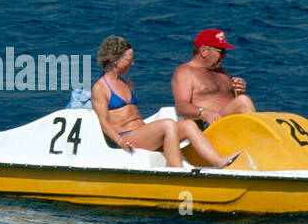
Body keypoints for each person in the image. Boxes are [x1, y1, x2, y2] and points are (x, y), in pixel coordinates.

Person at [91, 35, 240, 169]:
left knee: (188, 125)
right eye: (129, 60)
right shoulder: (100, 88)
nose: (133, 64)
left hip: (142, 133)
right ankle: (177, 171)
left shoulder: (128, 83)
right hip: (126, 137)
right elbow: (104, 123)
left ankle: (218, 161)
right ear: (115, 60)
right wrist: (120, 141)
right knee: (168, 124)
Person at [171, 29, 255, 129]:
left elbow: (232, 101)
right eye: (221, 52)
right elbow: (181, 107)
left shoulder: (222, 72)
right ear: (204, 51)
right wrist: (203, 113)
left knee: (242, 99)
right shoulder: (185, 72)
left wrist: (240, 91)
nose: (224, 57)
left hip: (230, 123)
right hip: (209, 127)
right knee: (243, 101)